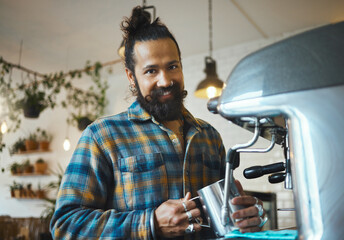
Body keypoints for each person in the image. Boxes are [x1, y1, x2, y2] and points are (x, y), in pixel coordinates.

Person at [50, 6, 266, 240]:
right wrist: (150, 223)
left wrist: (248, 216)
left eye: (172, 67)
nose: (165, 81)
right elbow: (65, 225)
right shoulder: (101, 135)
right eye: (151, 71)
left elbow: (224, 220)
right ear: (131, 77)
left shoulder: (210, 136)